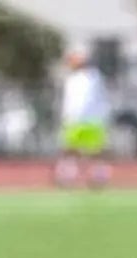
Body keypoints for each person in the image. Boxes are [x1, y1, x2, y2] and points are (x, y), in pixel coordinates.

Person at [54, 47, 112, 189]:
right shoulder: (71, 79)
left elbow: (100, 98)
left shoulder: (94, 76)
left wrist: (104, 116)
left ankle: (99, 177)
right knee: (69, 149)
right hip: (73, 121)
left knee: (96, 151)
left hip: (93, 121)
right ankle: (67, 176)